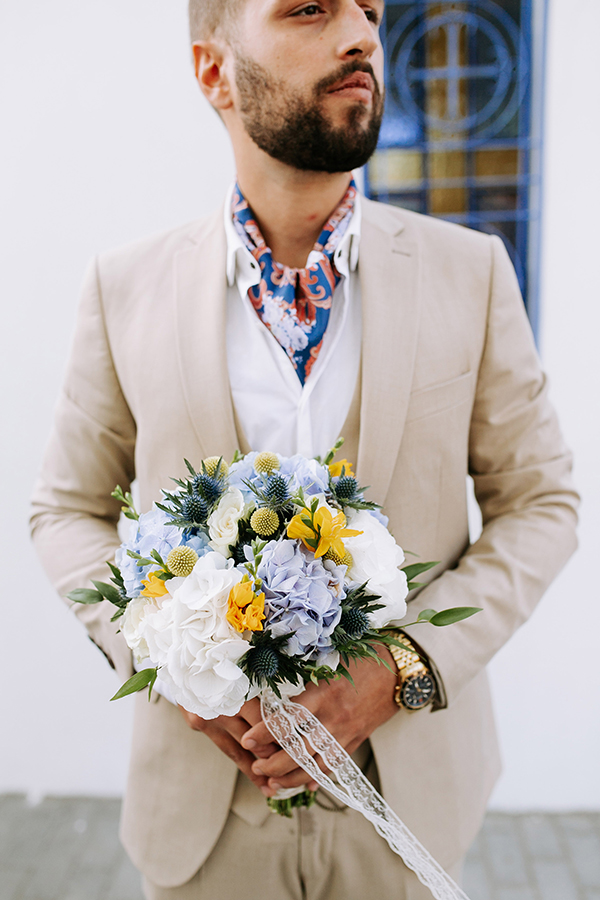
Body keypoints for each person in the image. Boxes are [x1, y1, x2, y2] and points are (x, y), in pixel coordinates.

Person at [30, 0, 579, 898]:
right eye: (311, 9)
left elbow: (543, 504)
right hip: (204, 818)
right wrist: (172, 662)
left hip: (410, 812)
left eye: (369, 10)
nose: (362, 33)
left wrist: (402, 667)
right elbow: (66, 509)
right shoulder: (124, 287)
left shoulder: (470, 273)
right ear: (214, 72)